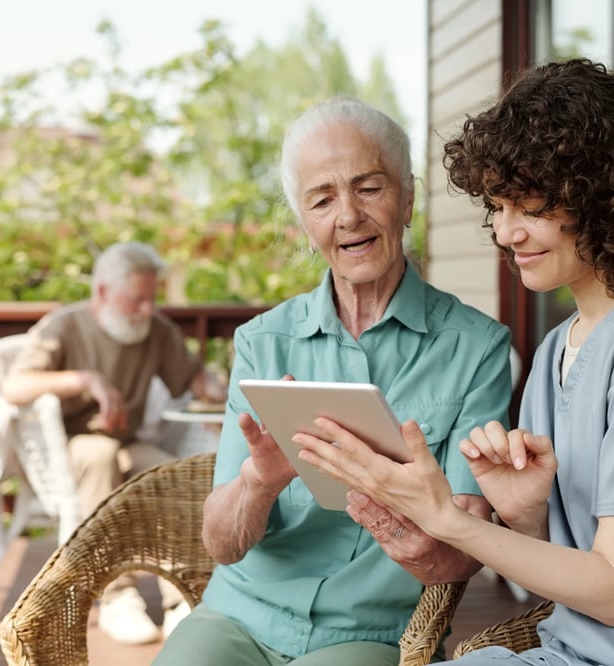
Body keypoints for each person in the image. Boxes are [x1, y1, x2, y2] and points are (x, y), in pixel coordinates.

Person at [295, 60, 614, 665]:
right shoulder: (558, 351)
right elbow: (571, 576)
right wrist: (528, 515)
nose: (506, 233)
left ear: (605, 197)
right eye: (498, 208)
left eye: (529, 207)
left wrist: (447, 520)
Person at [153, 97, 513, 666]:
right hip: (241, 615)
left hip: (369, 630)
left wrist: (413, 531)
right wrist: (259, 482)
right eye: (322, 199)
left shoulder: (476, 348)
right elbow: (221, 544)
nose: (348, 215)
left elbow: (464, 550)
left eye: (369, 188)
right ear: (304, 223)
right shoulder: (262, 341)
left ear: (409, 199)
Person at [2, 240, 225, 645]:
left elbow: (194, 377)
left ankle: (181, 598)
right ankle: (115, 597)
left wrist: (218, 389)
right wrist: (85, 380)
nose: (146, 310)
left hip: (127, 442)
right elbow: (15, 386)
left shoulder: (155, 330)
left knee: (166, 473)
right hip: (70, 447)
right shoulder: (64, 325)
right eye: (136, 300)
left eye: (150, 300)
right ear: (103, 292)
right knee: (102, 456)